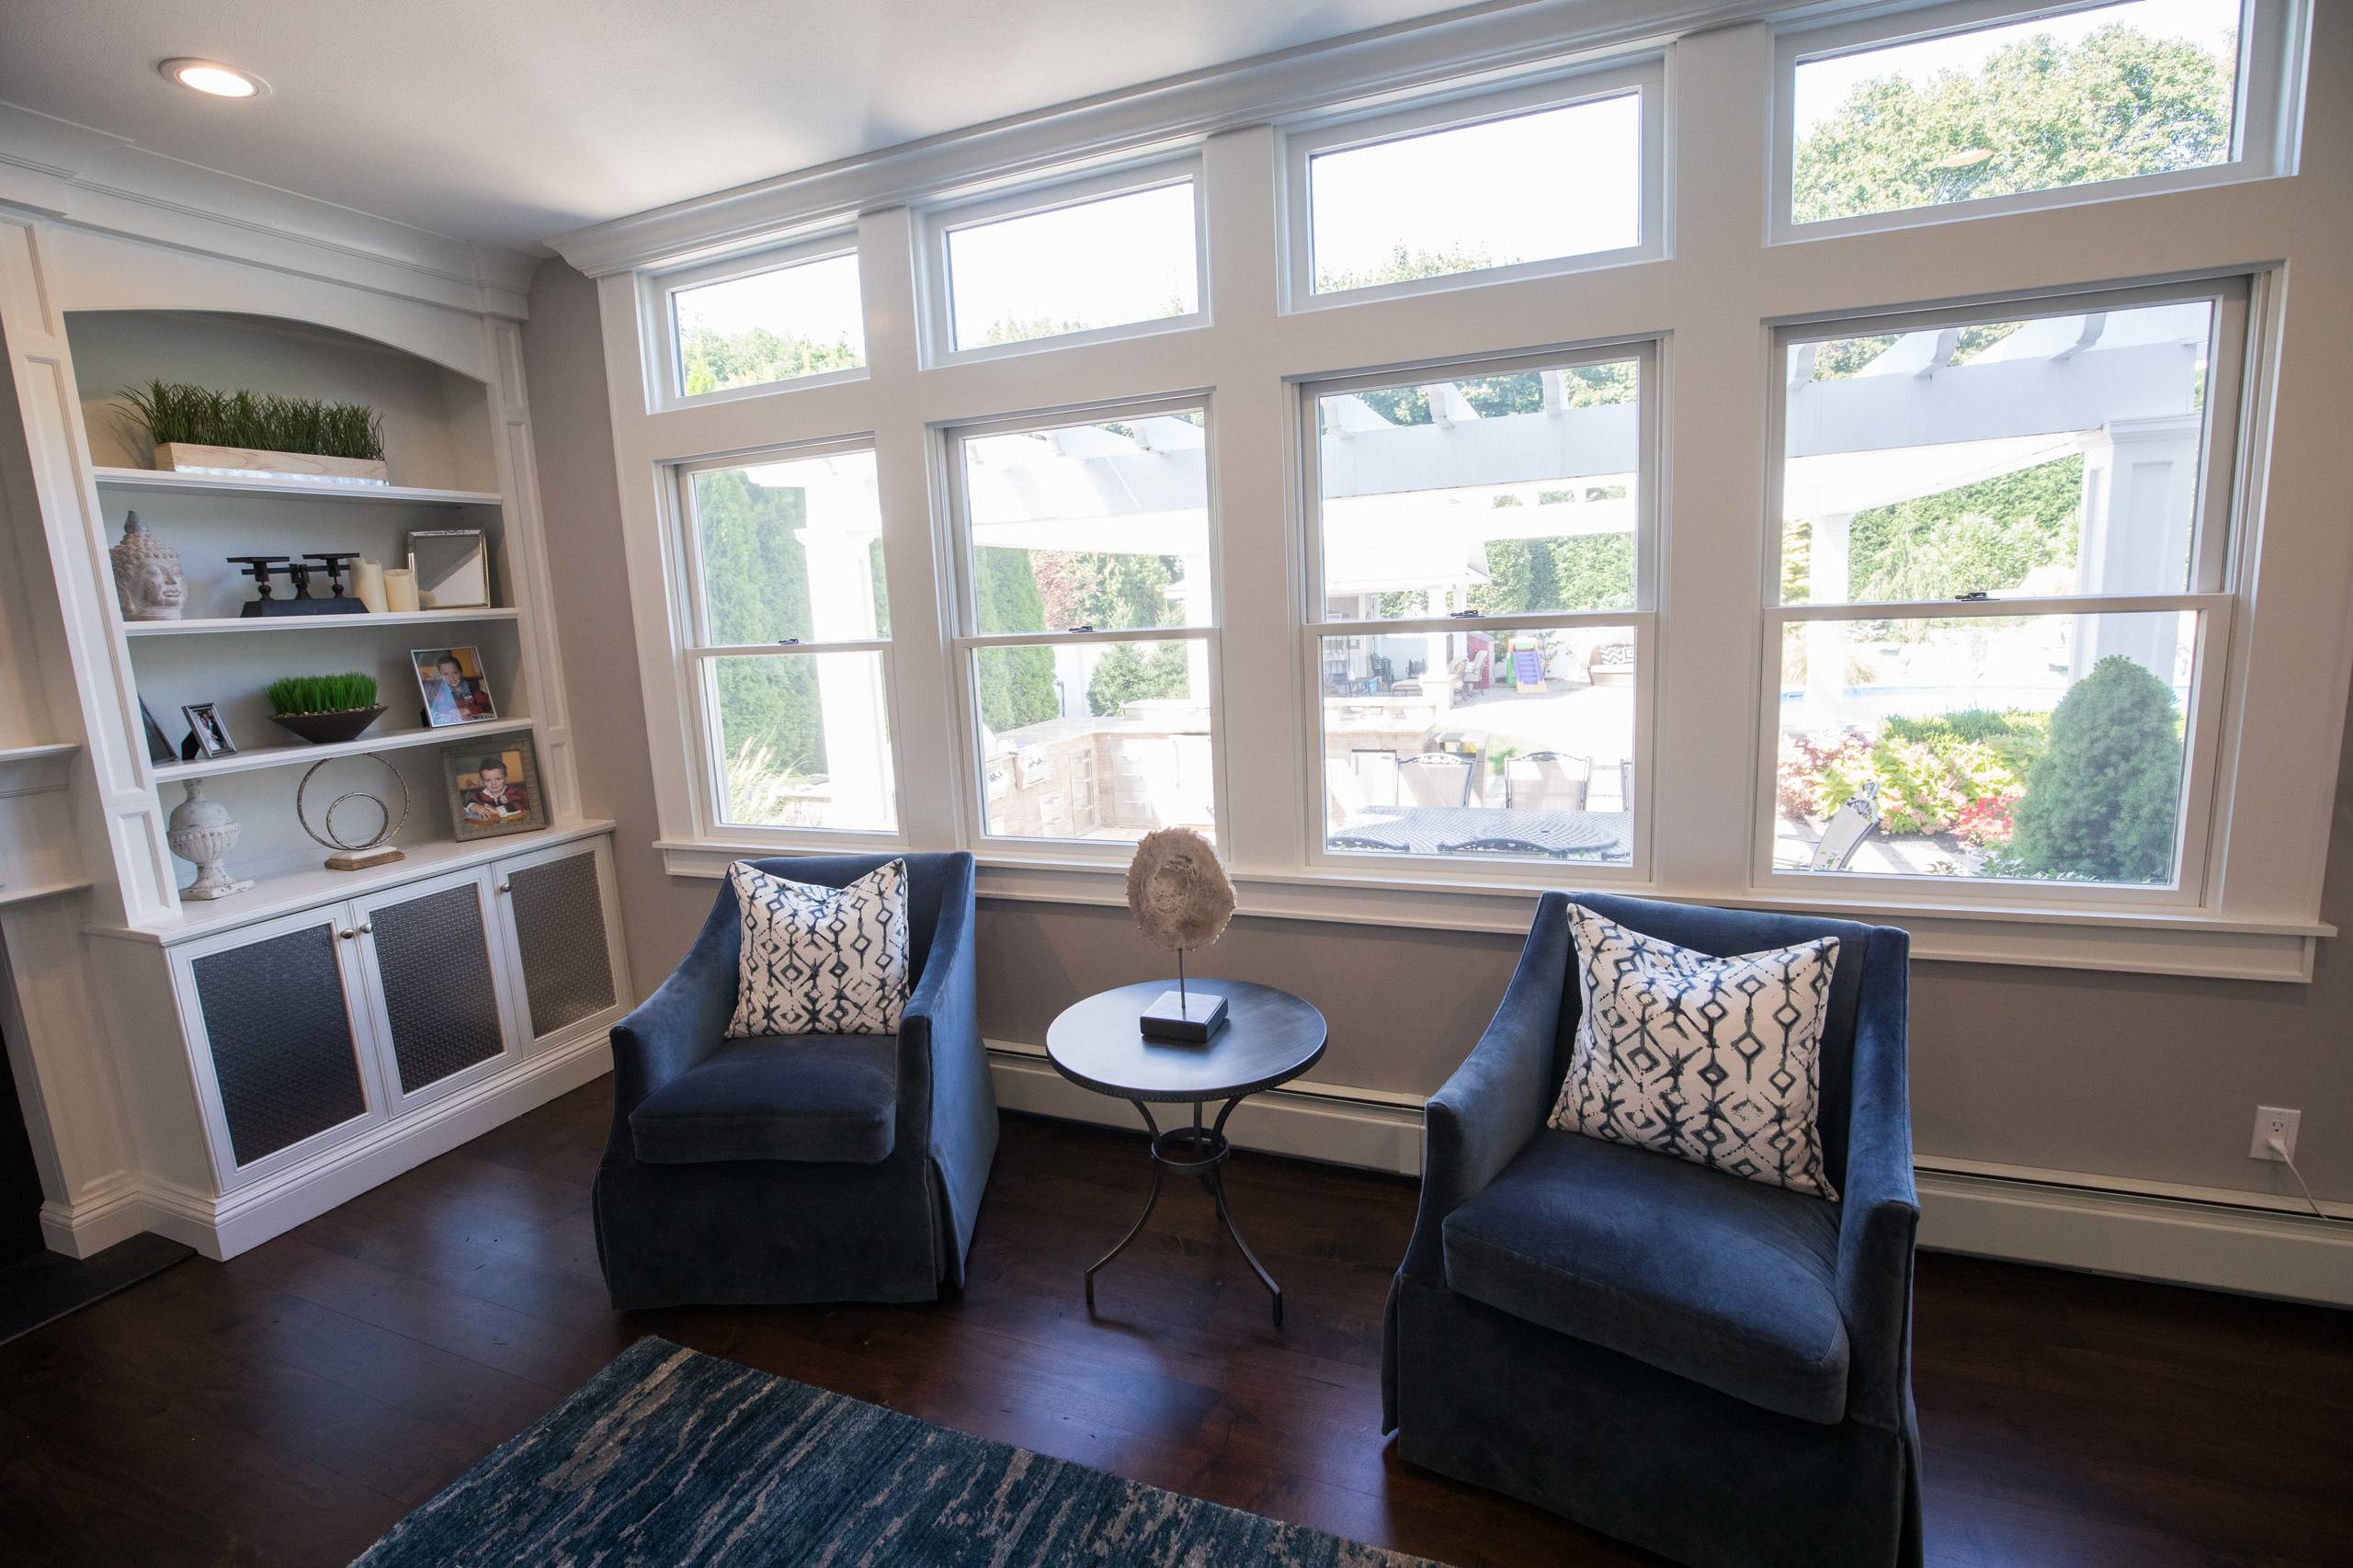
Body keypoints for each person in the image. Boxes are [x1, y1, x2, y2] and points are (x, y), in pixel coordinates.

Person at [421, 653, 494, 724]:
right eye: (446, 674)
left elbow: (486, 705)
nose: (451, 677)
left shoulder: (472, 688)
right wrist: (454, 712)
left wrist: (467, 710)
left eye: (455, 673)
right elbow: (438, 708)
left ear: (461, 672)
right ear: (441, 676)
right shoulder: (442, 691)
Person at [462, 756, 529, 822]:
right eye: (488, 780)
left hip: (511, 820)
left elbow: (518, 805)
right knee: (470, 817)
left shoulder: (512, 791)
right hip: (491, 823)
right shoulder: (480, 794)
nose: (493, 783)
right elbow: (468, 804)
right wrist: (476, 807)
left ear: (505, 778)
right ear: (483, 781)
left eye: (498, 779)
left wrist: (497, 810)